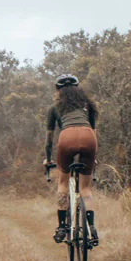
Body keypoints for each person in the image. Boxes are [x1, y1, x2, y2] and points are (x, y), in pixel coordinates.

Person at [44, 74, 98, 246]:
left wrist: (48, 159)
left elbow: (49, 139)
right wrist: (93, 158)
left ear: (58, 90)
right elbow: (94, 133)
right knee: (85, 188)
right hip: (88, 137)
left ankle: (61, 228)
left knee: (63, 183)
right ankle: (91, 229)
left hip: (66, 138)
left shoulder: (54, 108)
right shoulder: (87, 105)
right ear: (78, 89)